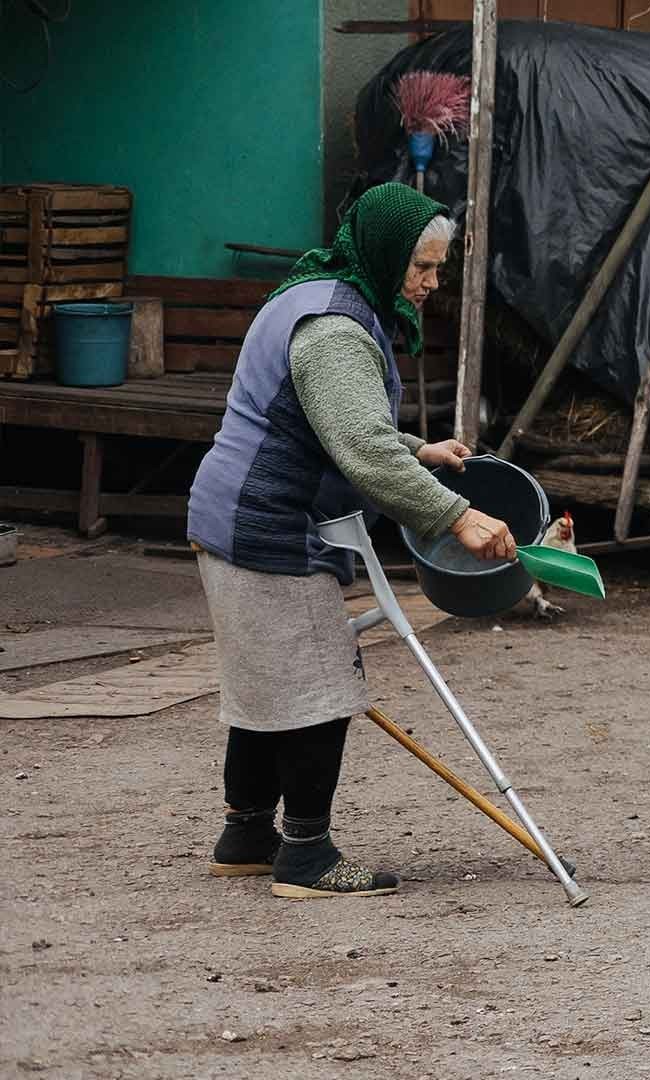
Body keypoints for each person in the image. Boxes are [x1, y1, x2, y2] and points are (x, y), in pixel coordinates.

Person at [186, 183, 517, 899]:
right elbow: (360, 448)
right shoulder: (337, 329)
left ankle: (244, 834)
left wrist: (413, 449)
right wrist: (458, 518)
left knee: (265, 686)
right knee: (318, 690)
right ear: (386, 253)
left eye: (437, 268)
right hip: (267, 526)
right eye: (421, 267)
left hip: (231, 514)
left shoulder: (318, 287)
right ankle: (306, 857)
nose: (431, 283)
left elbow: (332, 423)